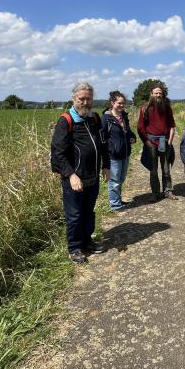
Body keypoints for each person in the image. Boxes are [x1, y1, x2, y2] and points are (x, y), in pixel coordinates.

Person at [50, 82, 110, 264]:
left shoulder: (95, 119)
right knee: (75, 215)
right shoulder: (66, 121)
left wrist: (106, 166)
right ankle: (75, 248)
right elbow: (58, 153)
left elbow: (103, 144)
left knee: (88, 212)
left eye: (88, 99)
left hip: (92, 176)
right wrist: (71, 175)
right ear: (74, 98)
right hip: (75, 179)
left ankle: (87, 241)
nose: (85, 102)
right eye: (81, 99)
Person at [137, 83, 178, 200]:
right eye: (156, 93)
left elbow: (172, 125)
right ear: (151, 94)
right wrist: (146, 141)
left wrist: (170, 140)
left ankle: (168, 191)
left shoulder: (167, 108)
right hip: (151, 142)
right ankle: (155, 193)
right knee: (153, 170)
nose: (158, 95)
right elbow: (140, 128)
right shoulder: (145, 109)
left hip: (165, 142)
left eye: (160, 93)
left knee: (166, 169)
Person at [101, 91, 136, 211]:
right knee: (114, 181)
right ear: (112, 103)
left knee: (121, 178)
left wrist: (132, 137)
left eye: (123, 103)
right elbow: (102, 137)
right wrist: (108, 151)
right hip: (113, 155)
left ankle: (118, 200)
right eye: (119, 103)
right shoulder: (106, 119)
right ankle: (115, 205)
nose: (122, 105)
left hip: (125, 153)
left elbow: (128, 131)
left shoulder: (124, 116)